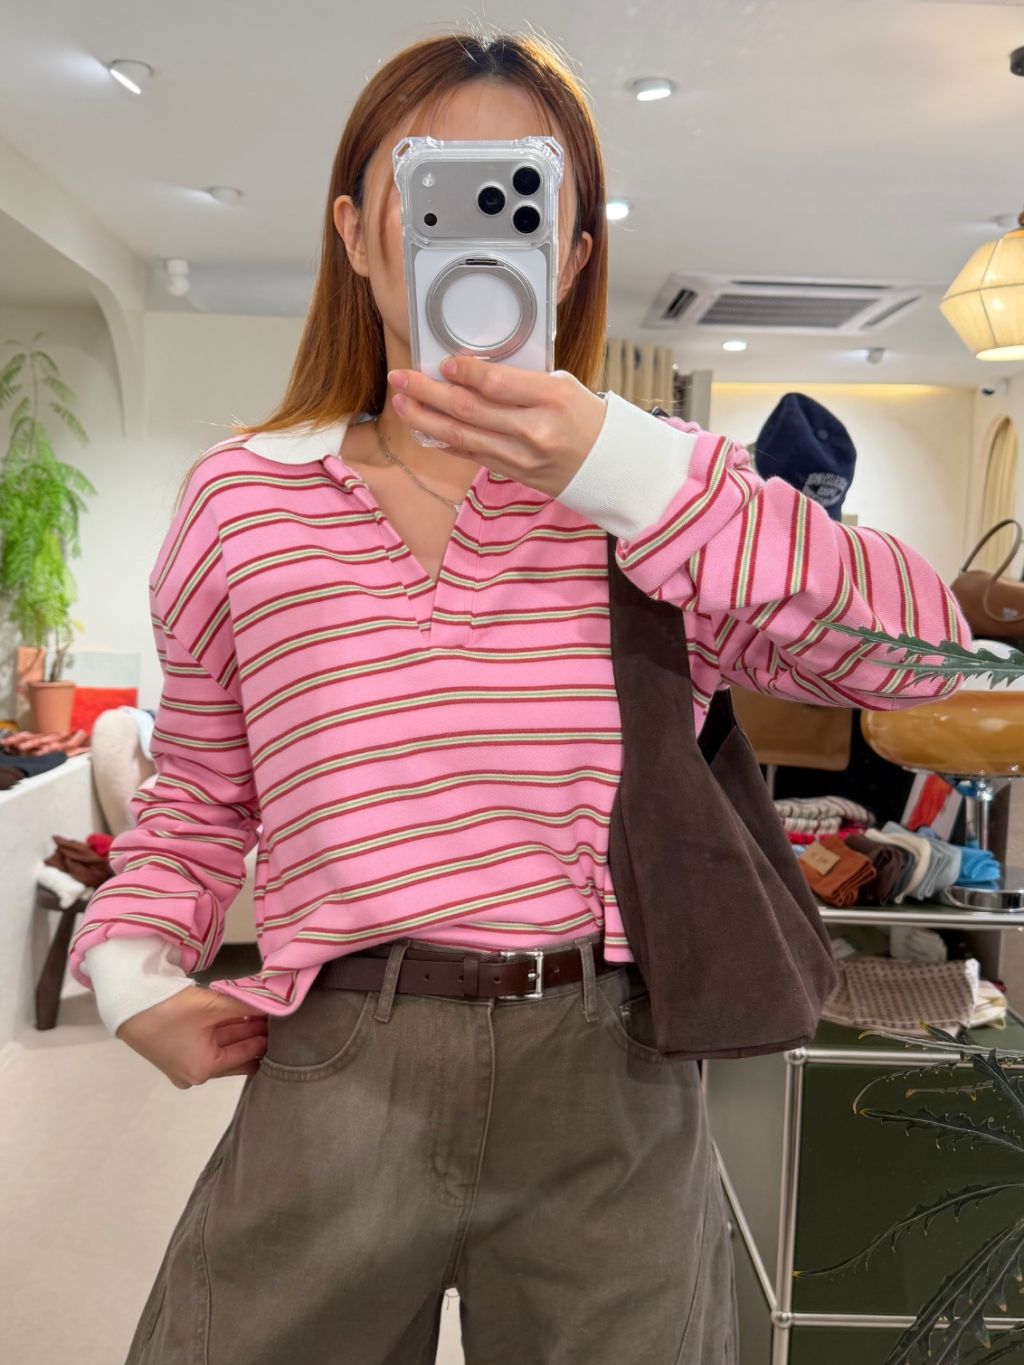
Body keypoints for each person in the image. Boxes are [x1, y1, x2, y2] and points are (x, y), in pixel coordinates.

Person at [67, 29, 972, 1365]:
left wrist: (631, 475)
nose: (478, 231)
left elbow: (925, 660)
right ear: (356, 233)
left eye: (523, 197)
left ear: (573, 252)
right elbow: (200, 794)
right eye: (434, 190)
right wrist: (130, 966)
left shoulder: (659, 488)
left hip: (609, 1074)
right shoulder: (243, 498)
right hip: (334, 1055)